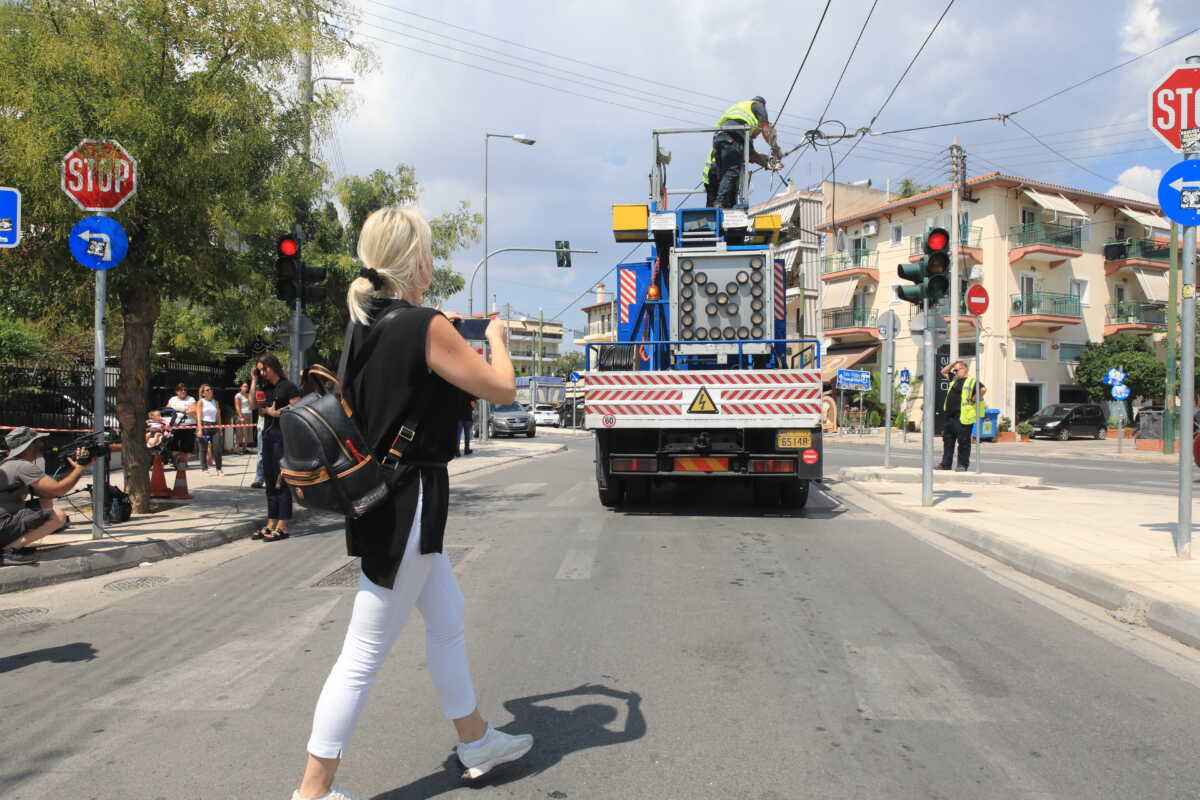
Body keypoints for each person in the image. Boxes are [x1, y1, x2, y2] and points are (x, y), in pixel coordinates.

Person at [291, 207, 532, 800]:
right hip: (408, 502)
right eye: (427, 252)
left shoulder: (367, 320)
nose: (432, 263)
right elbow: (501, 387)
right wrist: (498, 341)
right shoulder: (425, 325)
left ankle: (475, 740)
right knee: (364, 651)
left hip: (383, 493)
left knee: (446, 618)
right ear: (415, 260)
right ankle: (311, 792)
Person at [0, 427, 88, 566]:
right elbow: (58, 490)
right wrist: (80, 468)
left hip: (5, 522)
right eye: (38, 441)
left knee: (45, 500)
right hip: (3, 524)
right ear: (29, 446)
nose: (42, 444)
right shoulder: (22, 466)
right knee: (58, 516)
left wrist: (70, 469)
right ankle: (7, 551)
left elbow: (48, 493)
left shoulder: (10, 464)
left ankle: (14, 545)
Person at [251, 354, 298, 542]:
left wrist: (277, 412)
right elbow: (253, 405)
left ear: (273, 367)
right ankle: (271, 522)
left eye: (264, 369)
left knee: (282, 480)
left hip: (283, 437)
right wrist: (254, 380)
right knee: (270, 481)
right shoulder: (264, 387)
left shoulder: (288, 386)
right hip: (268, 437)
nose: (263, 373)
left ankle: (283, 526)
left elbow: (297, 407)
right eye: (260, 370)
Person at [707, 96, 782, 208]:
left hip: (719, 137)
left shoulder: (740, 115)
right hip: (731, 137)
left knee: (725, 175)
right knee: (732, 171)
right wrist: (776, 148)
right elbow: (767, 131)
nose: (757, 135)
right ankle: (720, 203)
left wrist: (768, 162)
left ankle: (721, 204)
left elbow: (752, 156)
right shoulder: (758, 106)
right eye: (759, 130)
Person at [937, 359, 986, 472]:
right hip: (950, 417)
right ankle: (946, 464)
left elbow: (983, 390)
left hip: (963, 417)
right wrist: (954, 363)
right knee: (948, 441)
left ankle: (962, 465)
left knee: (963, 442)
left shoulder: (972, 381)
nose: (954, 372)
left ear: (964, 369)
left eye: (956, 370)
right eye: (954, 370)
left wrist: (973, 400)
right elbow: (943, 372)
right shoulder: (954, 380)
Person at [165, 383, 197, 473]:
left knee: (187, 445)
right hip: (175, 425)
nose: (183, 391)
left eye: (185, 390)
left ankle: (183, 461)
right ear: (177, 391)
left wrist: (180, 410)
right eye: (181, 390)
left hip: (189, 424)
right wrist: (183, 410)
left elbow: (194, 410)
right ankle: (177, 461)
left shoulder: (191, 399)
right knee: (173, 444)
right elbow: (167, 409)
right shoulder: (172, 399)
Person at [195, 383, 224, 476]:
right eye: (207, 390)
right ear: (203, 393)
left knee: (217, 448)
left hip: (214, 426)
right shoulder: (201, 402)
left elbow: (218, 415)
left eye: (211, 389)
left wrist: (220, 428)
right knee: (203, 448)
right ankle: (204, 468)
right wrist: (199, 429)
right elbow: (199, 416)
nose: (210, 391)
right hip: (204, 425)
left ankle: (219, 469)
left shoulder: (215, 402)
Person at [235, 382, 254, 455]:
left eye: (247, 386)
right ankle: (237, 448)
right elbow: (237, 406)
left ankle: (244, 448)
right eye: (244, 386)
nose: (246, 388)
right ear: (241, 387)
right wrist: (240, 416)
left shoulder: (248, 395)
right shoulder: (238, 395)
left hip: (249, 413)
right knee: (240, 432)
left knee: (247, 432)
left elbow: (251, 404)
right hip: (242, 414)